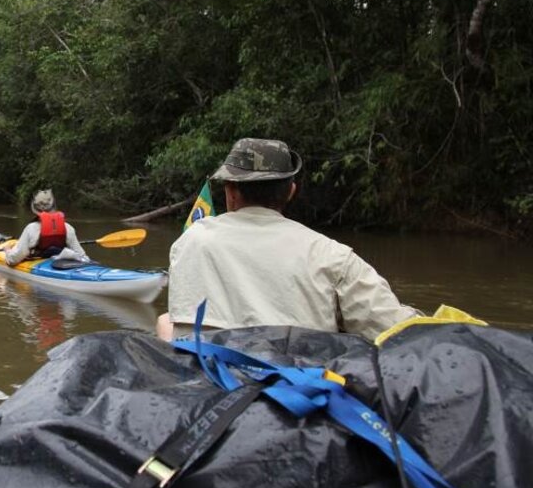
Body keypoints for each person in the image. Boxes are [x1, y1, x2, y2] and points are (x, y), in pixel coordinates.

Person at [157, 138, 418, 342]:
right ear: (291, 191)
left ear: (231, 192)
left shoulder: (190, 239)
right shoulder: (332, 255)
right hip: (297, 392)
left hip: (209, 386)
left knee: (165, 321)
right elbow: (396, 330)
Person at [3, 189, 90, 266]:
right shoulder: (68, 228)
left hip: (40, 263)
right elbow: (82, 256)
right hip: (60, 262)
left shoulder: (31, 228)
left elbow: (13, 260)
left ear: (35, 210)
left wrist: (7, 251)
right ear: (54, 207)